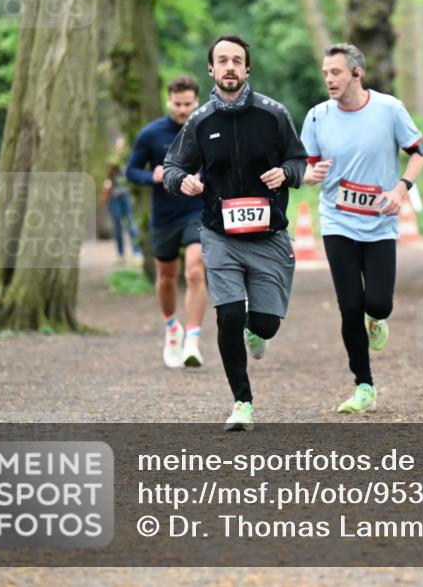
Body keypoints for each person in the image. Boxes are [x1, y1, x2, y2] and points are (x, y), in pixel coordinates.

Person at [164, 35, 307, 431]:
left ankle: (255, 329)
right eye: (222, 61)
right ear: (211, 69)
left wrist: (287, 173)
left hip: (269, 236)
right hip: (219, 235)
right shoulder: (200, 120)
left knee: (264, 325)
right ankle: (242, 401)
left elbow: (298, 159)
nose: (229, 67)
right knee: (228, 314)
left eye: (237, 61)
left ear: (247, 69)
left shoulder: (274, 114)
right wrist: (183, 183)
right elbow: (173, 166)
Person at [301, 43, 423, 413]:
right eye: (325, 73)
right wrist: (311, 174)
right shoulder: (317, 116)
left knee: (378, 303)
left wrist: (401, 188)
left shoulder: (389, 110)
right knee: (349, 305)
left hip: (380, 222)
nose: (329, 79)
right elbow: (305, 168)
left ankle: (378, 320)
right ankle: (364, 384)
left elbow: (418, 153)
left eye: (336, 72)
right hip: (337, 220)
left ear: (357, 73)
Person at [127, 76, 208, 369]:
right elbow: (132, 171)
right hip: (165, 217)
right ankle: (172, 327)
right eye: (178, 104)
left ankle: (193, 340)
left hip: (197, 212)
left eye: (188, 104)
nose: (183, 110)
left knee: (196, 271)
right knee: (166, 279)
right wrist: (153, 177)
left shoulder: (206, 128)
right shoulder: (151, 134)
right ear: (168, 101)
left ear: (196, 101)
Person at [101, 154, 142, 264]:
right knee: (117, 226)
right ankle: (120, 254)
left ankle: (137, 251)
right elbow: (107, 186)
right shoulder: (110, 171)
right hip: (114, 199)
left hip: (125, 197)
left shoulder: (126, 164)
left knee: (131, 224)